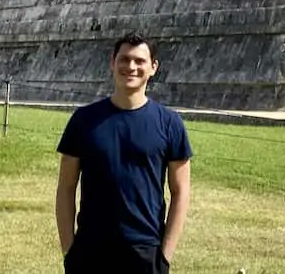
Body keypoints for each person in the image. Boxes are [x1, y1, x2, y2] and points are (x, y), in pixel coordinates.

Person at [55, 33, 193, 273]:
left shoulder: (170, 124)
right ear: (112, 63)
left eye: (140, 61)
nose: (131, 67)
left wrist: (164, 256)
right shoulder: (84, 120)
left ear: (153, 67)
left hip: (145, 250)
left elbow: (181, 192)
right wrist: (70, 251)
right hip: (90, 249)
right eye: (124, 59)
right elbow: (66, 188)